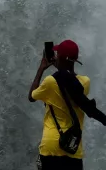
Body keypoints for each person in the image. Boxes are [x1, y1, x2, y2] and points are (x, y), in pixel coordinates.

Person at [28, 39, 106, 168]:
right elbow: (68, 80)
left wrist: (42, 68)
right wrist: (61, 65)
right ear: (75, 60)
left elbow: (31, 96)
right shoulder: (85, 82)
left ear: (59, 57)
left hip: (51, 147)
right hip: (72, 147)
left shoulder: (50, 82)